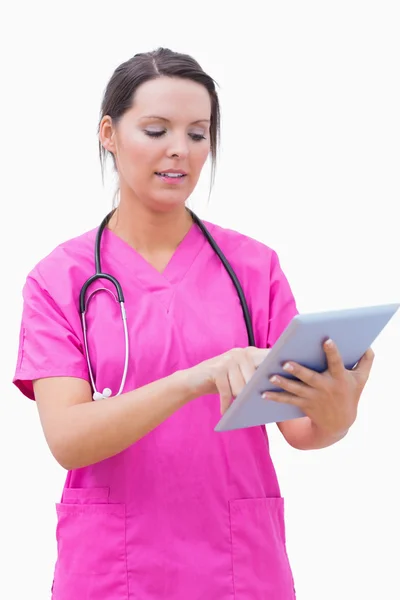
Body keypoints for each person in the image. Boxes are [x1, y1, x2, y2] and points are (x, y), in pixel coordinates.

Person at [12, 47, 374, 600]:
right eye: (156, 130)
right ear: (109, 133)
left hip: (238, 566)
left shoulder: (253, 268)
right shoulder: (59, 279)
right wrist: (197, 378)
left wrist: (338, 413)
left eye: (198, 134)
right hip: (112, 569)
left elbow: (302, 430)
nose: (179, 150)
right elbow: (68, 439)